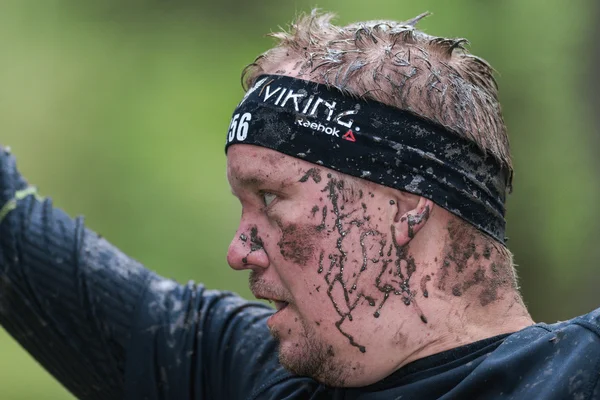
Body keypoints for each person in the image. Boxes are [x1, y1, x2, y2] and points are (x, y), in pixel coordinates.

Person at [1, 10, 599, 400]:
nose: (238, 251)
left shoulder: (575, 372)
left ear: (404, 207)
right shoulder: (245, 375)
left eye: (271, 198)